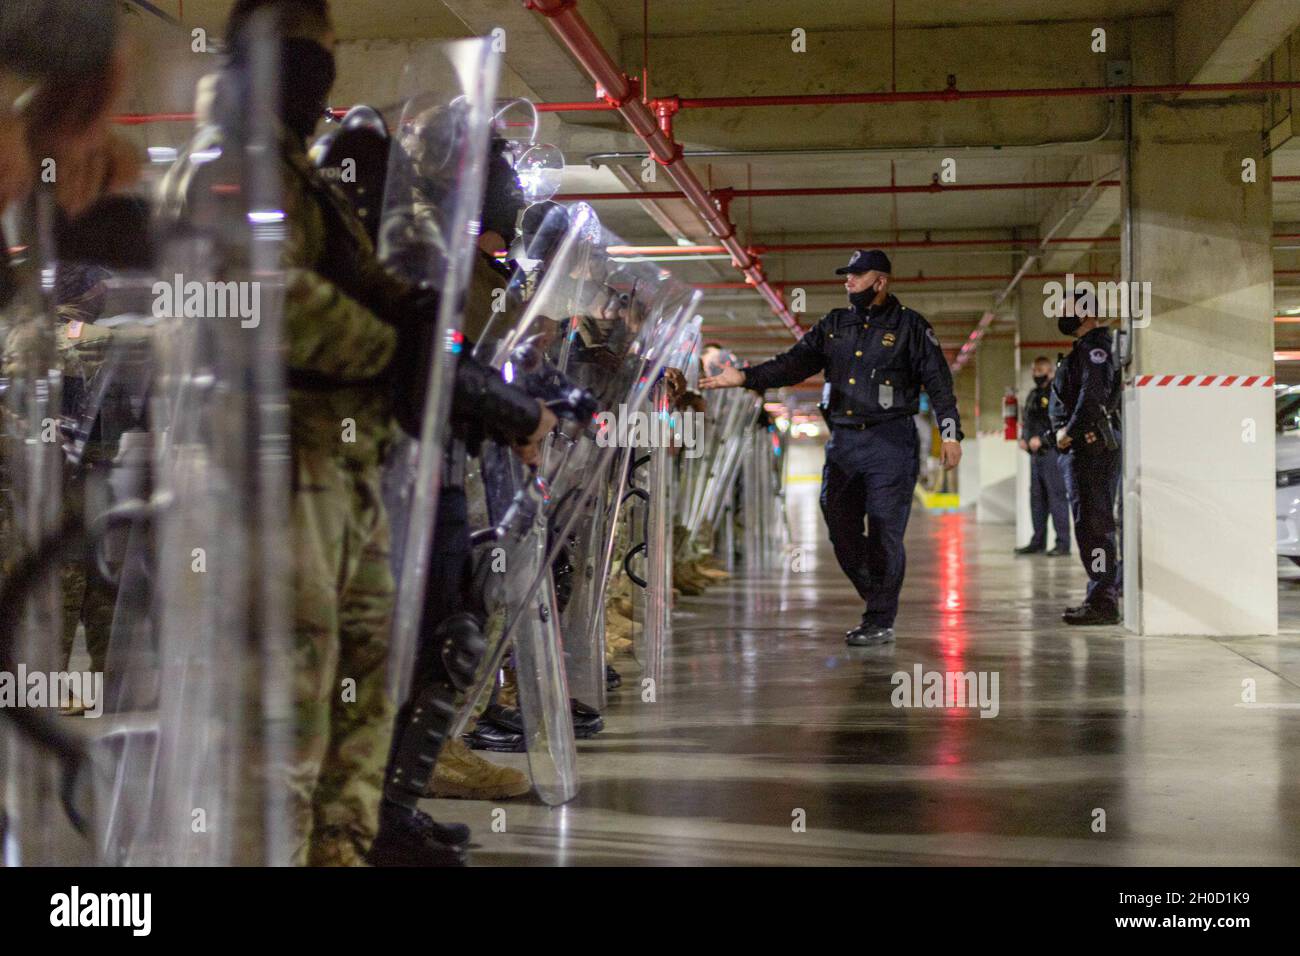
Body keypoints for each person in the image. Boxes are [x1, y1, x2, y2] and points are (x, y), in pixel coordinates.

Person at [700, 249, 962, 646]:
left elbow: (939, 383)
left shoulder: (910, 327)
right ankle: (877, 595)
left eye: (857, 276)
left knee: (884, 528)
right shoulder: (834, 325)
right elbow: (794, 363)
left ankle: (880, 617)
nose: (848, 282)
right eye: (847, 276)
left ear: (881, 281)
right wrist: (745, 377)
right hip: (843, 441)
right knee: (839, 524)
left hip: (890, 440)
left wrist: (951, 432)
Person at [1049, 291, 1121, 626]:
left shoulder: (1096, 348)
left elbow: (1092, 398)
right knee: (1088, 526)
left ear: (1085, 313)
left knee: (1095, 526)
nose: (1061, 315)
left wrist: (1069, 433)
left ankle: (1104, 600)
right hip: (1082, 451)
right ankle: (1099, 593)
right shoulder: (1082, 349)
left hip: (1092, 449)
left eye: (1067, 310)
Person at [1015, 355, 1071, 556]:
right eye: (1034, 371)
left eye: (1039, 371)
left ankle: (1062, 543)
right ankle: (1037, 541)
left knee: (1056, 498)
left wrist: (1043, 440)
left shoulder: (1057, 395)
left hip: (1051, 453)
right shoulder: (1032, 395)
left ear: (1050, 372)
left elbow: (1058, 423)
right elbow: (1028, 421)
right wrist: (1024, 438)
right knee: (1037, 499)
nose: (1035, 375)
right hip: (1035, 455)